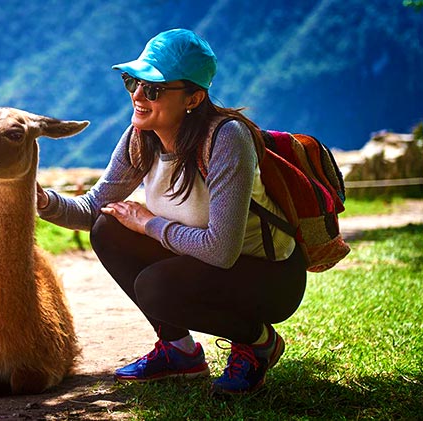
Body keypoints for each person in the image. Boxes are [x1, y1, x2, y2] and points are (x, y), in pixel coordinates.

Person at [36, 28, 306, 395]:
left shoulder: (226, 139)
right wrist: (41, 201)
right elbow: (92, 207)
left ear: (194, 97)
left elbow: (221, 250)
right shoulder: (141, 137)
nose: (137, 95)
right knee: (107, 228)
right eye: (133, 82)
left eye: (154, 89)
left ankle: (258, 343)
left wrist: (148, 223)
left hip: (269, 277)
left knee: (155, 286)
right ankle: (179, 353)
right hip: (205, 263)